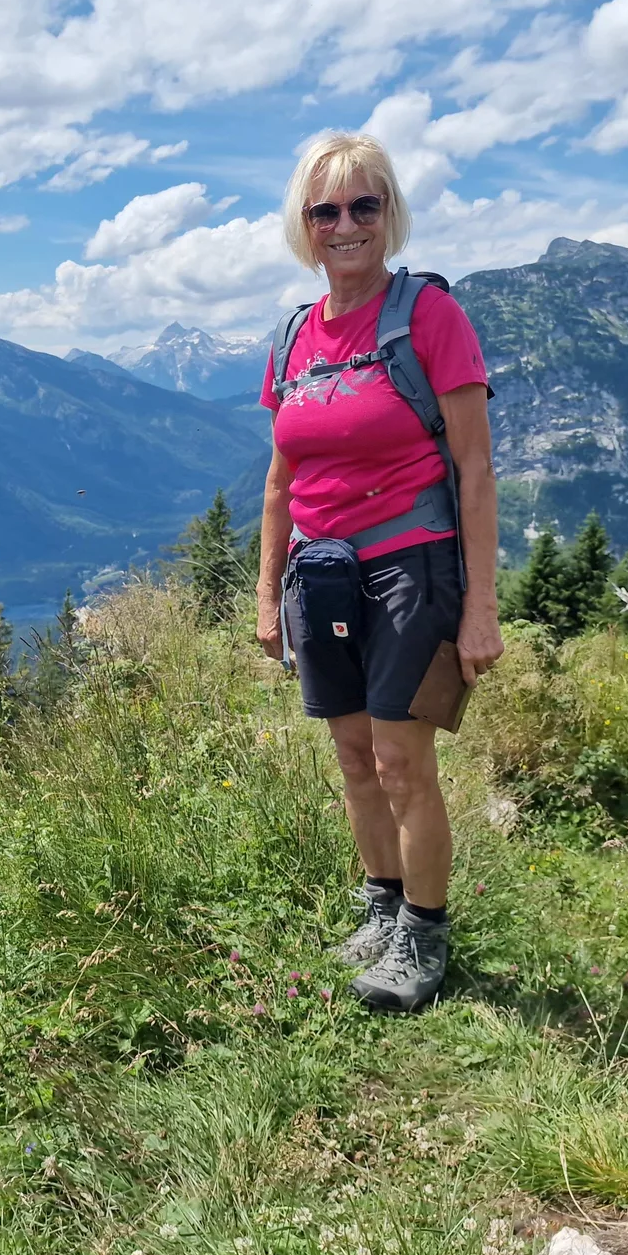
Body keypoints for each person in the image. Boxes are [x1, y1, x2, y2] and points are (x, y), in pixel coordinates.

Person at [255, 131, 504, 1011]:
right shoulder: (293, 336)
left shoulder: (429, 317)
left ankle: (425, 939)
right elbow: (283, 478)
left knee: (402, 761)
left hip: (411, 567)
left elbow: (474, 470)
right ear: (305, 225)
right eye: (326, 210)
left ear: (389, 214)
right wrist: (265, 594)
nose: (346, 224)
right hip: (318, 577)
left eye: (365, 205)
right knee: (353, 754)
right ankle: (383, 903)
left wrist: (482, 608)